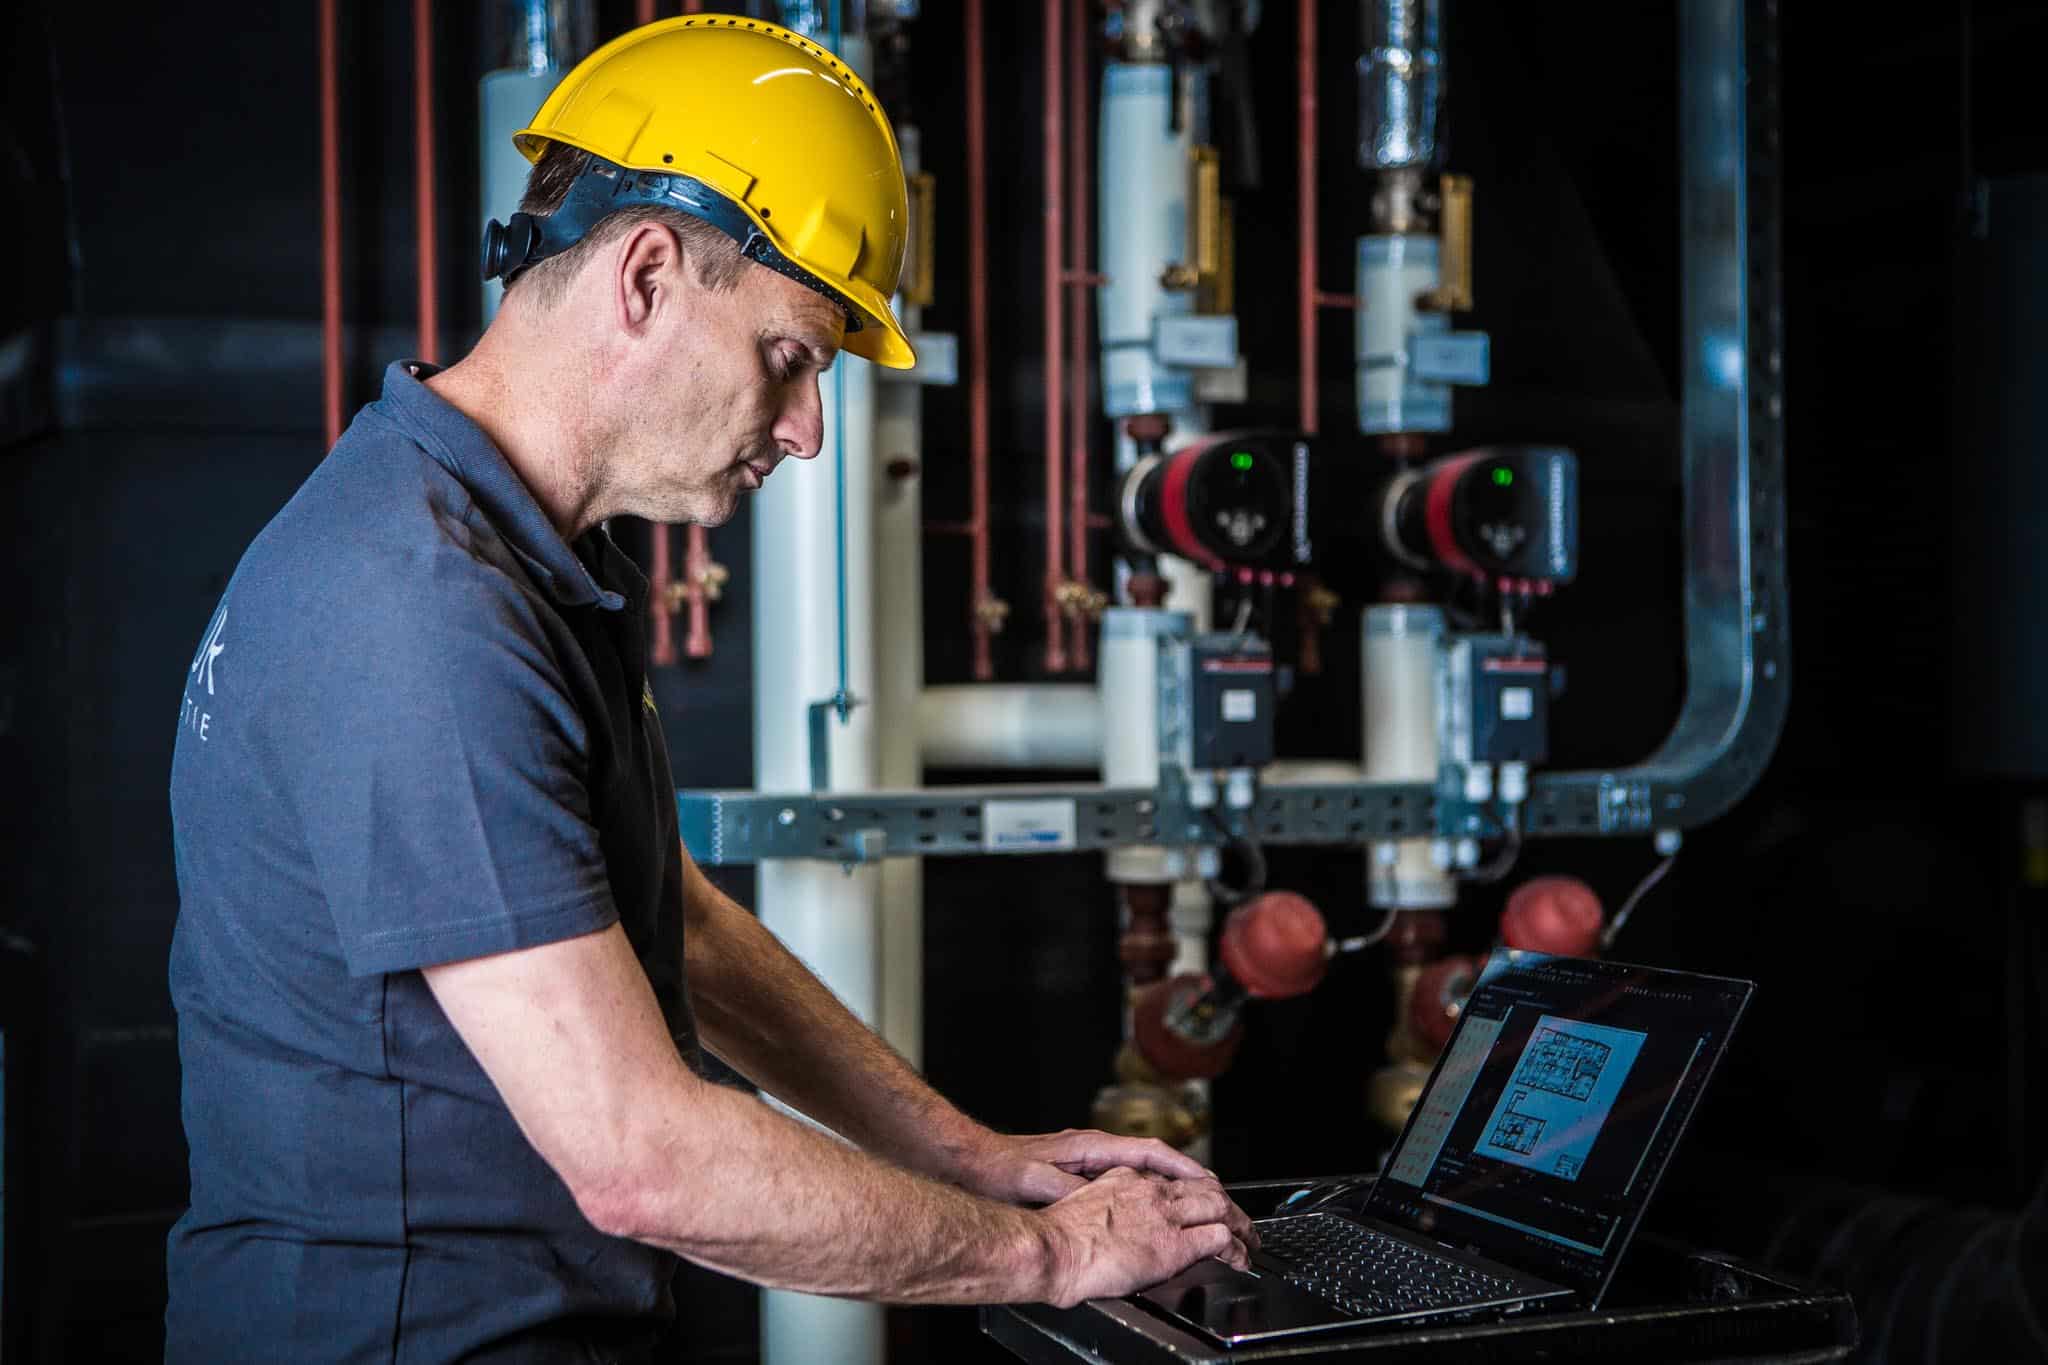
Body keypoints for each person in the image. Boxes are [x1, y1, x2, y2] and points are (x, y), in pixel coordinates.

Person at [165, 16, 1252, 1362]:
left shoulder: (515, 547)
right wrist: (1050, 1250)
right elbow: (641, 1157)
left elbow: (660, 913)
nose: (804, 430)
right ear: (647, 272)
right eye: (792, 356)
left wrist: (972, 1155)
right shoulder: (421, 606)